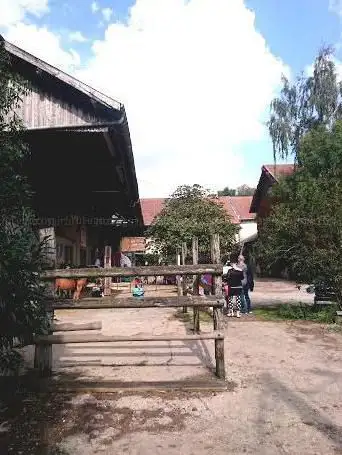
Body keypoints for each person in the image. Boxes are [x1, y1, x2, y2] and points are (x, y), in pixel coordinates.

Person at [224, 252, 244, 317]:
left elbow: (226, 278)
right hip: (238, 286)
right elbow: (242, 278)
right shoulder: (240, 270)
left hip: (231, 286)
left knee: (230, 299)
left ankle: (231, 312)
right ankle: (238, 313)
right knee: (238, 299)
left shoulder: (230, 271)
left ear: (232, 263)